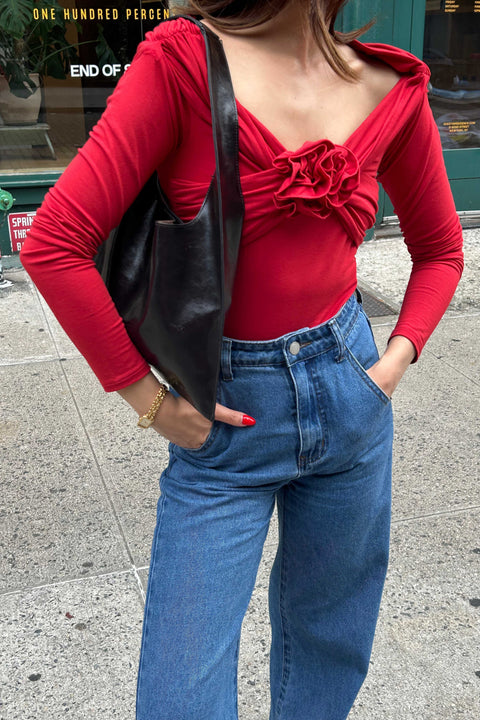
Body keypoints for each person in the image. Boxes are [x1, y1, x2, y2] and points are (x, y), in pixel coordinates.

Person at [20, 1, 463, 718]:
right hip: (228, 414)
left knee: (331, 645)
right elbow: (54, 242)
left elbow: (441, 250)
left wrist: (393, 363)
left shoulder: (390, 86)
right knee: (181, 690)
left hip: (352, 396)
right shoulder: (182, 62)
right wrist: (148, 401)